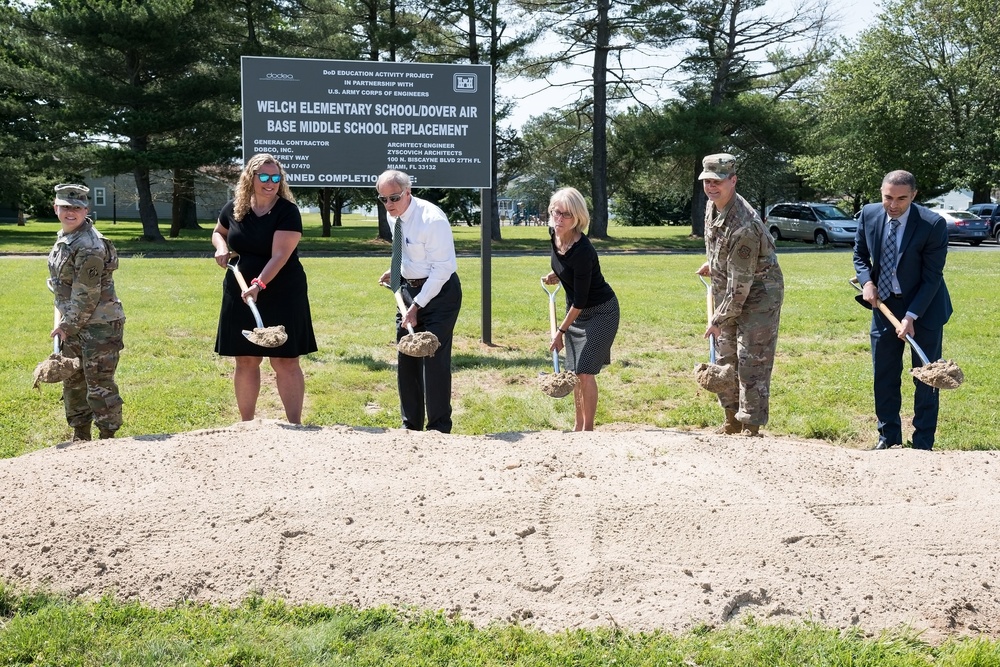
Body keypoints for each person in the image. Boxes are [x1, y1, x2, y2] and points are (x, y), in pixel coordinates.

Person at [212, 154, 317, 424]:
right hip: (240, 290)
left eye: (275, 178)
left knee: (285, 360)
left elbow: (280, 255)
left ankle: (295, 423)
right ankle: (247, 424)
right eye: (264, 177)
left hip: (282, 290)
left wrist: (259, 284)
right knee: (245, 359)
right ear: (251, 177)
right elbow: (219, 232)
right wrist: (221, 248)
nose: (270, 183)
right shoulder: (235, 208)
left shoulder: (287, 211)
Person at [853, 170, 951, 450]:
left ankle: (922, 443)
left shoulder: (932, 225)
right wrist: (867, 282)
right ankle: (888, 437)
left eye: (901, 199)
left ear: (914, 195)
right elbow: (860, 255)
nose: (893, 205)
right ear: (881, 192)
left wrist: (911, 317)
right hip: (884, 305)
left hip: (925, 308)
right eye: (887, 198)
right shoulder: (869, 215)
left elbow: (933, 277)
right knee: (883, 373)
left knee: (927, 376)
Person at [696, 153, 784, 436]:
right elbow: (721, 247)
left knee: (751, 360)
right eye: (707, 181)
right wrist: (713, 264)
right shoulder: (713, 207)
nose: (711, 187)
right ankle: (732, 420)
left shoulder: (744, 223)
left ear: (732, 180)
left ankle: (751, 426)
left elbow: (740, 287)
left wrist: (717, 320)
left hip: (759, 296)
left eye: (717, 181)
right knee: (725, 357)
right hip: (731, 292)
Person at [376, 170, 462, 433]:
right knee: (407, 357)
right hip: (409, 292)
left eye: (394, 198)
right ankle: (410, 426)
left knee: (433, 358)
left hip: (440, 293)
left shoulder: (431, 220)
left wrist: (418, 306)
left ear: (408, 192)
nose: (389, 204)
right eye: (383, 199)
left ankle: (438, 428)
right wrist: (398, 270)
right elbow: (405, 251)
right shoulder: (396, 218)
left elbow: (441, 269)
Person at [47, 184, 126, 441]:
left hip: (98, 325)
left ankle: (107, 438)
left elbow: (87, 295)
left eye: (77, 208)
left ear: (86, 210)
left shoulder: (90, 245)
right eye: (66, 207)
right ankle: (80, 435)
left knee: (98, 383)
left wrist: (66, 327)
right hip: (73, 320)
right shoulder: (66, 237)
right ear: (56, 207)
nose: (71, 212)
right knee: (73, 381)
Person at [542, 186, 620, 432]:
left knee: (585, 372)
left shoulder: (584, 250)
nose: (559, 219)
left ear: (577, 218)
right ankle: (577, 427)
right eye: (556, 212)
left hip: (600, 312)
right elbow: (565, 264)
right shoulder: (553, 235)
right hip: (575, 311)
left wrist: (560, 332)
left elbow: (581, 300)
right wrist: (557, 274)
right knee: (573, 373)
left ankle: (588, 430)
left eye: (566, 215)